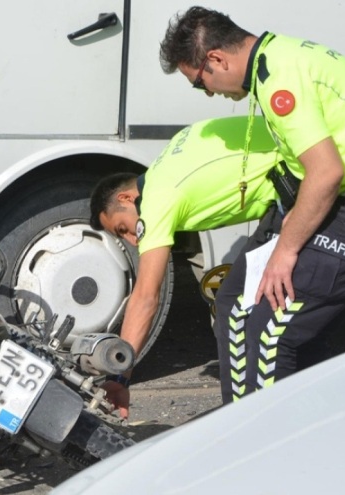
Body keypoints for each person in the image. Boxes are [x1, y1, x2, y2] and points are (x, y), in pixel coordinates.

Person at [157, 6, 345, 404]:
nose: (209, 93)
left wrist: (285, 250)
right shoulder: (277, 59)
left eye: (200, 83)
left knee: (269, 328)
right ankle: (255, 422)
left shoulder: (279, 77)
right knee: (233, 303)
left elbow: (326, 172)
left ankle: (265, 435)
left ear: (216, 59)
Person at [91, 115, 283, 418]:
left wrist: (120, 376)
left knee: (242, 310)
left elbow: (146, 297)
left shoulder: (156, 200)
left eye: (123, 229)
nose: (133, 240)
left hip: (302, 181)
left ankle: (256, 415)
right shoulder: (167, 160)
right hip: (293, 173)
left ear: (126, 198)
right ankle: (251, 409)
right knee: (232, 302)